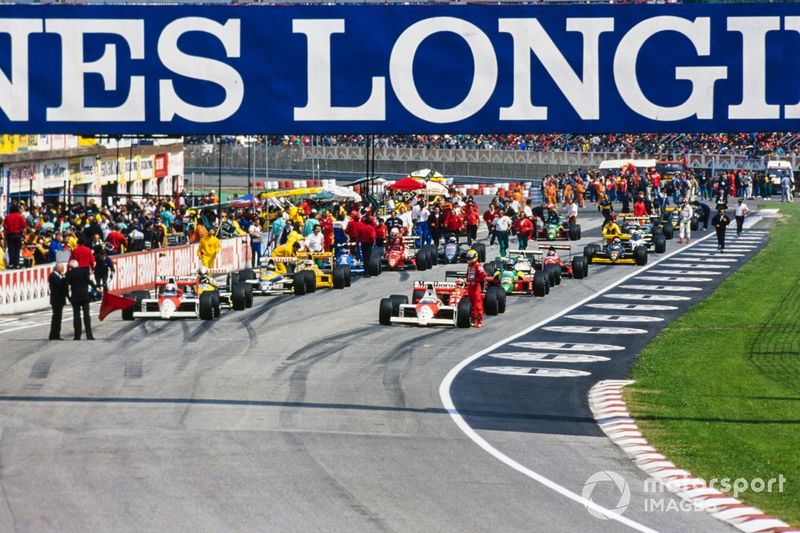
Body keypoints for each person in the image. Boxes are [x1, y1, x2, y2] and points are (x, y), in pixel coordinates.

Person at [65, 259, 94, 340]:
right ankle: (89, 335)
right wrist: (96, 288)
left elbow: (66, 287)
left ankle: (77, 336)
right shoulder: (84, 271)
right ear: (78, 265)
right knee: (86, 316)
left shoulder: (69, 274)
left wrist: (68, 297)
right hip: (84, 296)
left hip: (75, 297)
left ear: (70, 266)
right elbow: (89, 281)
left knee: (76, 316)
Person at [464, 249, 486, 328]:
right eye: (468, 257)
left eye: (470, 257)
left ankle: (479, 320)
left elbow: (483, 275)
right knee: (471, 304)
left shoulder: (478, 266)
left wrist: (476, 281)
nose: (469, 259)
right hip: (470, 286)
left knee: (477, 304)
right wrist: (467, 280)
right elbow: (467, 275)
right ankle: (473, 320)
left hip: (476, 287)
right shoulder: (469, 266)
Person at [48, 263, 68, 340]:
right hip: (56, 300)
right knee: (56, 317)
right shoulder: (53, 276)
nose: (63, 270)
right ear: (58, 268)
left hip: (59, 299)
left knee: (58, 318)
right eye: (62, 268)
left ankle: (56, 334)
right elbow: (59, 285)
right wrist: (63, 277)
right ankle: (54, 335)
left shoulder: (57, 276)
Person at [3, 203, 26, 269]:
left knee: (11, 249)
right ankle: (16, 264)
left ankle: (11, 263)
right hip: (18, 235)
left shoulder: (7, 217)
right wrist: (20, 231)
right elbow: (24, 226)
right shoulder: (20, 216)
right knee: (17, 250)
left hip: (10, 235)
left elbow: (5, 227)